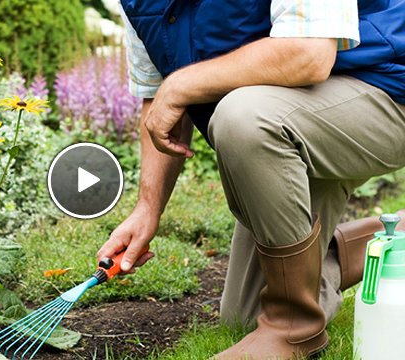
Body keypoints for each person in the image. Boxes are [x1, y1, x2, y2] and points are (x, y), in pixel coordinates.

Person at [96, 0, 405, 358]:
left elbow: (309, 54)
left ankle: (293, 327)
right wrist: (148, 208)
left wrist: (181, 84)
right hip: (295, 109)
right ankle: (389, 244)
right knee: (245, 315)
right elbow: (159, 97)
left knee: (243, 117)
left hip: (386, 88)